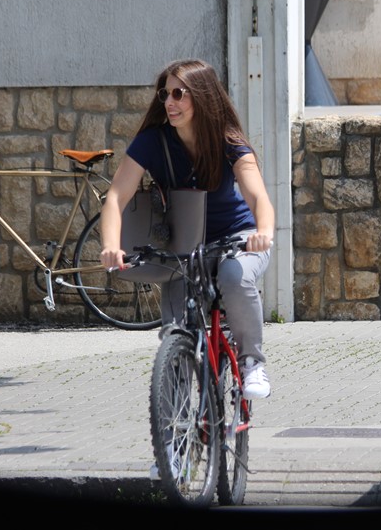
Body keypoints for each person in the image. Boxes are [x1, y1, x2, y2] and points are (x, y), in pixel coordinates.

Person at [100, 59, 275, 400]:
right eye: (165, 94)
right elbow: (116, 197)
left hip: (238, 238)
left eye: (178, 94)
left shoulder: (228, 141)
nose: (169, 102)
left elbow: (257, 196)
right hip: (186, 244)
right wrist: (111, 245)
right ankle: (174, 418)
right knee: (175, 326)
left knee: (234, 277)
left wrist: (264, 232)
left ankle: (251, 362)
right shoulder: (153, 142)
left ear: (202, 96)